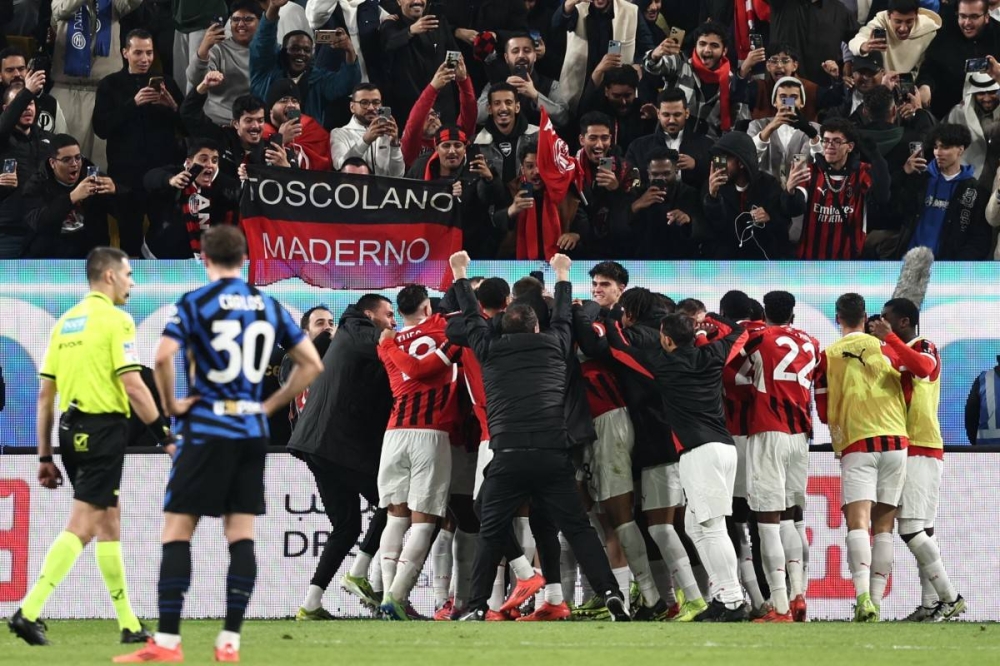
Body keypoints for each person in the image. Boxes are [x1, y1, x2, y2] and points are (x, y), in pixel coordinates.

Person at [114, 226, 323, 663]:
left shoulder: (196, 302)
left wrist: (172, 406)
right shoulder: (269, 305)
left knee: (177, 530)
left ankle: (168, 642)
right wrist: (268, 406)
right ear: (244, 259)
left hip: (205, 429)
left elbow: (161, 356)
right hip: (249, 432)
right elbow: (311, 363)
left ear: (205, 259)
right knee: (241, 535)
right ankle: (229, 641)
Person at [449, 250, 630, 622]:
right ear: (535, 328)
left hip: (509, 455)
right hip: (553, 455)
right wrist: (562, 273)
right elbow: (563, 315)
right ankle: (611, 593)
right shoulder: (555, 345)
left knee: (492, 528)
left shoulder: (489, 350)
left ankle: (478, 604)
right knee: (578, 529)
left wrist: (460, 273)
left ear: (501, 326)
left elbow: (471, 315)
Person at [7, 247, 169, 646]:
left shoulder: (65, 323)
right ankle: (28, 611)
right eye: (129, 274)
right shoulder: (116, 321)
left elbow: (46, 396)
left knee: (108, 522)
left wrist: (45, 455)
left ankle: (129, 624)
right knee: (82, 525)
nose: (132, 282)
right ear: (110, 276)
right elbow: (133, 385)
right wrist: (165, 435)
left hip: (69, 430)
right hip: (102, 431)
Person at [600, 300, 750, 622]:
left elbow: (618, 346)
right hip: (723, 448)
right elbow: (739, 333)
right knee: (694, 527)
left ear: (665, 340)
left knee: (711, 527)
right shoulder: (712, 355)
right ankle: (723, 596)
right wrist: (709, 320)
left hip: (699, 453)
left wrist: (613, 314)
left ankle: (735, 600)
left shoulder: (662, 365)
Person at [287, 295, 396, 618]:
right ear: (368, 314)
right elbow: (380, 346)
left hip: (321, 446)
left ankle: (310, 604)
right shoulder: (353, 328)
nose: (392, 321)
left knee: (347, 526)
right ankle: (359, 573)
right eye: (388, 314)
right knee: (393, 502)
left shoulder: (353, 335)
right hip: (336, 445)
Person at [870, 299, 966, 622]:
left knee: (911, 529)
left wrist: (890, 340)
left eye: (887, 319)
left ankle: (950, 597)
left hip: (922, 447)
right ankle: (929, 605)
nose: (882, 324)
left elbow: (923, 368)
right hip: (909, 447)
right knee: (922, 529)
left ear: (904, 322)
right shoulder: (895, 352)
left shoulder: (924, 345)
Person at [814, 293, 908, 622]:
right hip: (896, 440)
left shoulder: (826, 357)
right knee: (884, 527)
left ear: (837, 317)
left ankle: (863, 598)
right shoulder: (887, 346)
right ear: (865, 315)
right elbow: (909, 383)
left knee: (858, 522)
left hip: (857, 442)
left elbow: (823, 414)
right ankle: (877, 605)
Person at [374, 284, 463, 620]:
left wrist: (389, 343)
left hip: (394, 433)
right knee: (424, 519)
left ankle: (387, 597)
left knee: (395, 516)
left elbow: (405, 368)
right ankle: (396, 598)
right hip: (431, 434)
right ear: (427, 307)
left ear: (399, 312)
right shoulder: (442, 329)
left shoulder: (388, 342)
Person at [742, 290, 819, 623]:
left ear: (764, 312)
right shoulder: (813, 343)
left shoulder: (757, 338)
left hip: (768, 430)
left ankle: (780, 606)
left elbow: (738, 374)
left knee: (767, 521)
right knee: (791, 516)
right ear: (793, 313)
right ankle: (798, 594)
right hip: (799, 435)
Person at [94, 28, 184, 256]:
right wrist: (132, 104)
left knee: (165, 237)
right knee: (130, 238)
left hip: (163, 174)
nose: (145, 59)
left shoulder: (168, 84)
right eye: (138, 53)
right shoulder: (110, 85)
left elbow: (186, 128)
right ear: (125, 52)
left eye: (149, 53)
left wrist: (173, 107)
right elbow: (101, 128)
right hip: (127, 177)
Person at [784, 118, 891, 260]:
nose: (829, 146)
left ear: (850, 147)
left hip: (849, 262)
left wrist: (876, 156)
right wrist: (790, 191)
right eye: (826, 140)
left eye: (837, 141)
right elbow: (793, 209)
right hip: (811, 262)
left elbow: (882, 197)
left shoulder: (863, 172)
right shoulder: (810, 172)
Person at [251, 0, 361, 126]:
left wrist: (349, 50)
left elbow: (347, 84)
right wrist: (273, 8)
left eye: (307, 50)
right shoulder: (265, 72)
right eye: (295, 49)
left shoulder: (317, 79)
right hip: (265, 137)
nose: (301, 53)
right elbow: (263, 42)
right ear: (283, 51)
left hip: (307, 140)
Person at [894, 123, 990, 259]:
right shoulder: (921, 179)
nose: (938, 153)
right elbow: (895, 209)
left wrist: (956, 267)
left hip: (946, 269)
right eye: (936, 147)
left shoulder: (976, 190)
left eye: (945, 147)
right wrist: (904, 174)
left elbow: (980, 239)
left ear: (960, 150)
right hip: (909, 261)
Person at [642, 21, 751, 138]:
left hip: (709, 150)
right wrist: (655, 55)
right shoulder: (680, 64)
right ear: (695, 46)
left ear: (724, 51)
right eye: (702, 44)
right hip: (670, 144)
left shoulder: (732, 81)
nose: (707, 50)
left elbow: (735, 124)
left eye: (714, 45)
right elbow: (652, 66)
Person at [142, 138, 243, 259]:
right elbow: (149, 178)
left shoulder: (228, 186)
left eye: (214, 160)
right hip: (159, 259)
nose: (209, 164)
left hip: (206, 263)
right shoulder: (175, 175)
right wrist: (169, 180)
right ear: (189, 163)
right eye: (203, 159)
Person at [22, 135, 119, 258]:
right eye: (67, 159)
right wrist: (71, 197)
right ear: (53, 163)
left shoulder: (94, 178)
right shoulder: (37, 184)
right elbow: (40, 223)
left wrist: (116, 190)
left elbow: (125, 213)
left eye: (78, 158)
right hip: (49, 258)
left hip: (90, 258)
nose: (74, 164)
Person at [702, 131, 792, 260]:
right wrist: (713, 198)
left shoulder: (768, 184)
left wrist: (769, 218)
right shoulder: (712, 186)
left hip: (761, 260)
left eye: (724, 159)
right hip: (727, 262)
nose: (719, 165)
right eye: (717, 159)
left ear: (741, 162)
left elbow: (783, 224)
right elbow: (714, 227)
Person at [379, 0, 461, 129]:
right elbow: (389, 43)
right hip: (409, 106)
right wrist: (411, 31)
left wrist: (448, 73)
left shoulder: (438, 20)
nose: (417, 1)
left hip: (443, 103)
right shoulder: (391, 24)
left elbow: (453, 51)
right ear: (399, 1)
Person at [918, 0, 1000, 119]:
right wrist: (925, 86)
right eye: (963, 16)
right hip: (949, 115)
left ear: (986, 17)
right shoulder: (946, 34)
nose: (967, 23)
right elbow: (930, 68)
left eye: (974, 17)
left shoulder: (997, 34)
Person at [185, 1, 262, 126]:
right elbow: (195, 80)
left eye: (248, 19)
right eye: (235, 19)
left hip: (255, 123)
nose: (241, 24)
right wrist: (204, 48)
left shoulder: (267, 50)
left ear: (260, 21)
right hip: (220, 123)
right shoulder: (218, 49)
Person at [625, 88, 713, 191]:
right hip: (651, 204)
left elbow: (721, 179)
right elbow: (631, 183)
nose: (671, 120)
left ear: (687, 113)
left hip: (694, 204)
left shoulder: (707, 145)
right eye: (666, 115)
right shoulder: (638, 147)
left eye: (677, 115)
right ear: (658, 114)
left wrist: (696, 165)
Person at [477, 32, 569, 127]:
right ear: (507, 58)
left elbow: (564, 118)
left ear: (534, 56)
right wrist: (503, 92)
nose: (521, 55)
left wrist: (536, 96)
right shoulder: (494, 84)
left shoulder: (551, 85)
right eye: (515, 51)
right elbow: (477, 117)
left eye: (527, 50)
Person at [401, 59, 478, 168]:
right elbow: (414, 123)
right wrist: (433, 87)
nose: (432, 118)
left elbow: (469, 115)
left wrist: (463, 81)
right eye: (426, 117)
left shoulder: (452, 139)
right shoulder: (411, 147)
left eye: (434, 114)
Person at [629, 147, 702, 258]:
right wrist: (636, 206)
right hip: (644, 262)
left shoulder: (690, 194)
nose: (661, 178)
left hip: (681, 262)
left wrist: (689, 221)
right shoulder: (637, 194)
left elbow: (704, 229)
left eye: (666, 173)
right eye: (655, 174)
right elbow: (622, 229)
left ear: (677, 171)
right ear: (648, 174)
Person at [747, 76, 821, 179]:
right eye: (783, 97)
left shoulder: (816, 129)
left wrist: (811, 133)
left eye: (794, 97)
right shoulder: (757, 125)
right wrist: (770, 128)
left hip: (801, 189)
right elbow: (748, 157)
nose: (788, 101)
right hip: (767, 189)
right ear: (774, 102)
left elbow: (824, 160)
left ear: (802, 102)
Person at [849, 0, 941, 77]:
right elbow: (855, 42)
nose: (903, 28)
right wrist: (864, 46)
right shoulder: (881, 22)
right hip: (882, 81)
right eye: (898, 21)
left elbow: (925, 69)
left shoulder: (929, 29)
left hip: (909, 82)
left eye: (909, 21)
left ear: (916, 15)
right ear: (889, 15)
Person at [472, 82, 539, 187]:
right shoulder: (476, 143)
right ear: (489, 109)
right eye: (497, 103)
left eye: (508, 102)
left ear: (517, 107)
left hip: (532, 199)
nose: (503, 108)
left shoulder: (538, 135)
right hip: (494, 201)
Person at [329, 83, 404, 176]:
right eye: (364, 102)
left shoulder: (387, 133)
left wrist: (395, 145)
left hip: (384, 190)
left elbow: (398, 175)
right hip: (355, 189)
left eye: (376, 102)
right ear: (352, 107)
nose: (371, 108)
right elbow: (339, 166)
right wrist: (365, 141)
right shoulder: (339, 133)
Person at [262, 78, 333, 171]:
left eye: (295, 101)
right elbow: (257, 166)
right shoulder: (260, 131)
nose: (291, 105)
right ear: (271, 109)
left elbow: (323, 168)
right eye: (284, 100)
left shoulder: (310, 127)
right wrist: (281, 139)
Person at [945, 73, 1000, 179]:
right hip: (967, 177)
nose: (987, 98)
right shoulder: (958, 113)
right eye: (981, 93)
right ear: (973, 94)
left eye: (992, 92)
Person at [966, 353, 1000, 444]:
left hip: (986, 451)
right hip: (986, 453)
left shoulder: (983, 380)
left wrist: (976, 447)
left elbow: (971, 418)